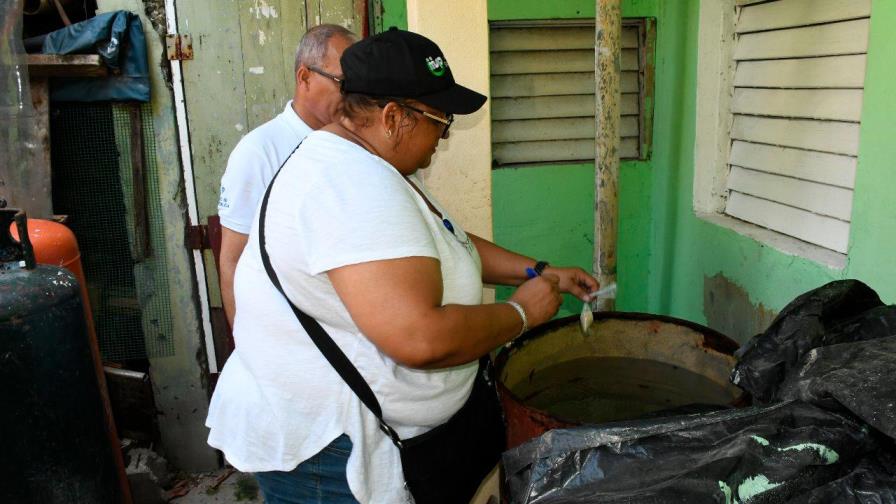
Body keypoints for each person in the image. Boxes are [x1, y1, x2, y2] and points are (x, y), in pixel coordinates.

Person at [206, 28, 599, 503]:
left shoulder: (364, 161)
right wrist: (521, 314)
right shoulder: (350, 183)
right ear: (393, 117)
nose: (444, 136)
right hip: (331, 462)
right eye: (440, 121)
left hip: (355, 443)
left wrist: (538, 271)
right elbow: (420, 337)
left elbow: (442, 239)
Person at [216, 24, 357, 327]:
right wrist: (246, 344)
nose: (352, 96)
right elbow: (233, 260)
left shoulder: (355, 145)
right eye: (343, 83)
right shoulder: (258, 152)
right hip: (285, 330)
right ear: (304, 77)